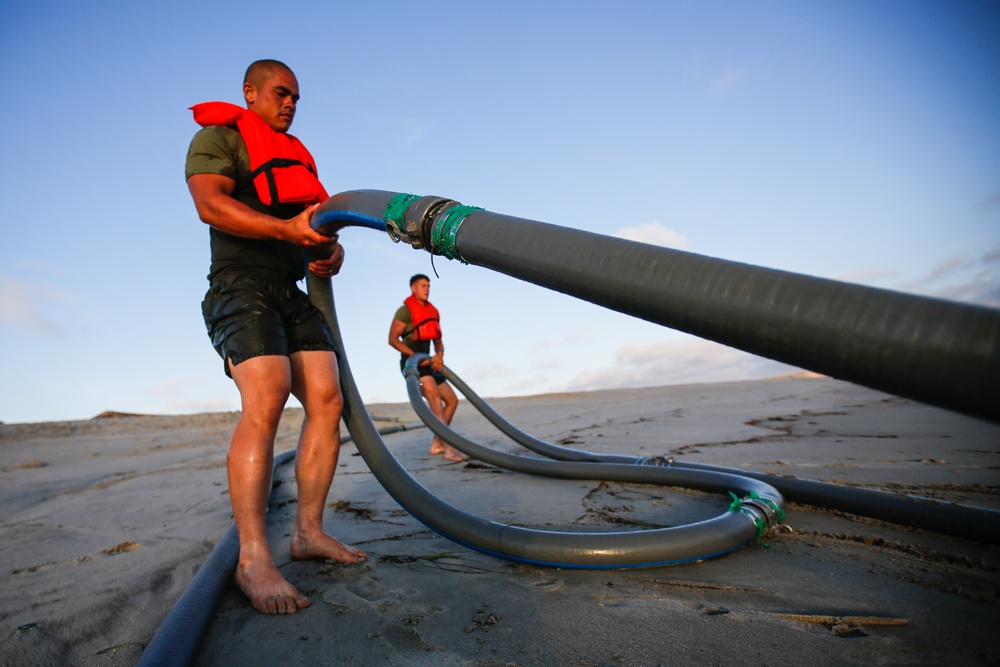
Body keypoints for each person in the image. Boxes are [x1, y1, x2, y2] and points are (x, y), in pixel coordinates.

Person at [185, 59, 366, 615]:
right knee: (266, 394)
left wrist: (330, 251)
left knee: (327, 398)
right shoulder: (219, 138)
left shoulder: (296, 155)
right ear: (251, 92)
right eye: (281, 94)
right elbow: (209, 204)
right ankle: (253, 559)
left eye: (296, 98)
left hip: (292, 291)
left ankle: (307, 533)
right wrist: (284, 230)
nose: (290, 104)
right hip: (239, 284)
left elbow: (319, 227)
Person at [389, 274, 468, 463]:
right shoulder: (404, 311)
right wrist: (414, 356)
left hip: (429, 363)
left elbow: (438, 342)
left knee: (452, 400)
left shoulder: (433, 311)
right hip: (413, 363)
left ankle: (437, 443)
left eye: (428, 286)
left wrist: (439, 356)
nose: (427, 289)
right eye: (423, 286)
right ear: (413, 289)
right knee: (434, 398)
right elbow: (392, 339)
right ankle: (449, 449)